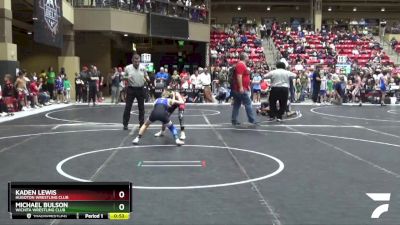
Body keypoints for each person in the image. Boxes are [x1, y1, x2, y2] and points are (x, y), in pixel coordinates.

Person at [122, 54, 150, 130]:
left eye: (138, 61)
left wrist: (147, 78)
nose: (137, 63)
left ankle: (141, 124)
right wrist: (127, 77)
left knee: (141, 108)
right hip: (131, 89)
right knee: (128, 107)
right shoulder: (128, 68)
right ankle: (125, 124)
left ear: (139, 61)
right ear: (132, 61)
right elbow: (122, 77)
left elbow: (146, 76)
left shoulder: (143, 68)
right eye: (135, 61)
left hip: (140, 89)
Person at [231, 53, 258, 126]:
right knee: (248, 103)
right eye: (248, 57)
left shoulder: (241, 65)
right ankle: (252, 120)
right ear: (245, 58)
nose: (249, 58)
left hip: (239, 88)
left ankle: (234, 120)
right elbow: (239, 76)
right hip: (240, 89)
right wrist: (241, 87)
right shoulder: (241, 65)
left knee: (237, 104)